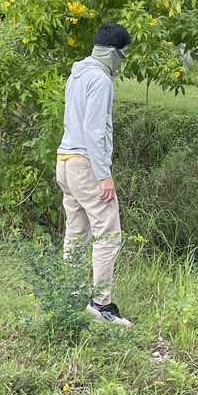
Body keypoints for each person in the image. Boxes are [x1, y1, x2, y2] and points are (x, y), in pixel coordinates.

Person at [56, 22, 133, 326]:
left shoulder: (76, 75)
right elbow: (93, 130)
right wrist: (104, 175)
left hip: (65, 161)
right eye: (124, 54)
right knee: (108, 233)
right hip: (86, 164)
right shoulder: (101, 80)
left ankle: (70, 295)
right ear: (114, 52)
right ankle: (102, 305)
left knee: (76, 233)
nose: (124, 61)